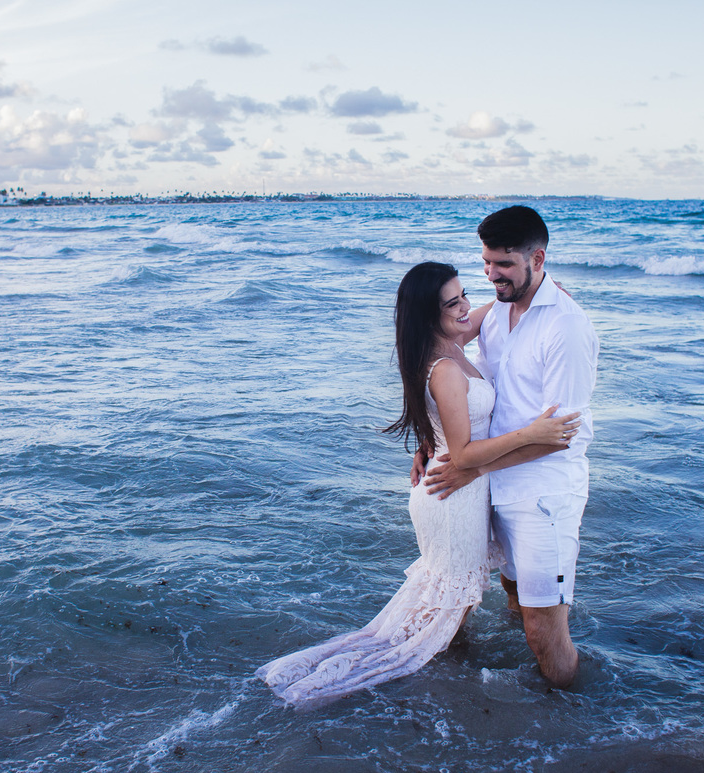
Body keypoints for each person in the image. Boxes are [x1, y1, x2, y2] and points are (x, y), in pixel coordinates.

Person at [256, 261, 580, 707]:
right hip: (453, 495)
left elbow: (491, 309)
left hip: (456, 491)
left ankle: (440, 671)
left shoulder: (451, 341)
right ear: (430, 315)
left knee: (448, 602)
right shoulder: (444, 366)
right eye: (452, 303)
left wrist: (541, 290)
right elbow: (463, 455)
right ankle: (420, 687)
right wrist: (532, 434)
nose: (464, 307)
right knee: (447, 605)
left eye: (464, 295)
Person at [416, 206, 598, 688]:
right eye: (486, 262)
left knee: (542, 631)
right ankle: (524, 717)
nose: (491, 274)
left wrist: (471, 468)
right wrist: (429, 437)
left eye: (504, 264)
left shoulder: (565, 327)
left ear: (537, 259)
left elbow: (561, 435)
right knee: (514, 597)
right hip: (493, 484)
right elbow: (440, 354)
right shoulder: (497, 312)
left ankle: (574, 714)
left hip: (543, 493)